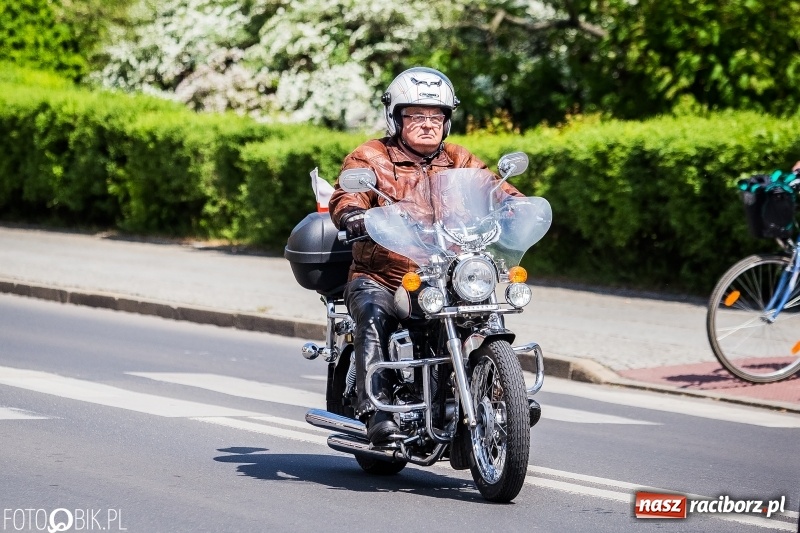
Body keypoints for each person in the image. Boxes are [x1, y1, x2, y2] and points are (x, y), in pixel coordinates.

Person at [329, 67, 524, 445]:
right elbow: (347, 193)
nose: (427, 124)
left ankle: (501, 396)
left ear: (447, 121)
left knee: (482, 311)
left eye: (436, 116)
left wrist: (517, 205)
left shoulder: (458, 159)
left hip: (446, 272)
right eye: (416, 115)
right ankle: (378, 410)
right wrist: (353, 213)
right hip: (383, 274)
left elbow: (493, 186)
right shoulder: (372, 156)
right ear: (396, 117)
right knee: (372, 314)